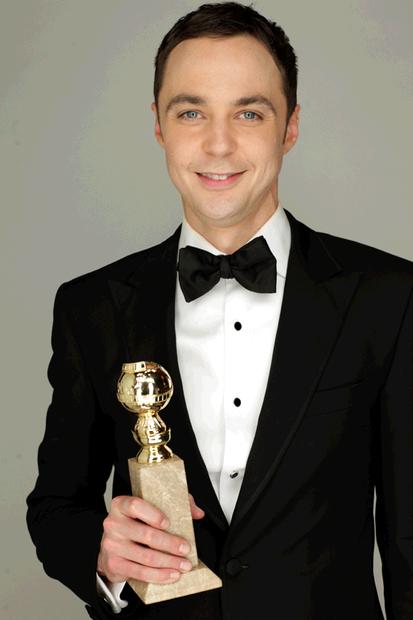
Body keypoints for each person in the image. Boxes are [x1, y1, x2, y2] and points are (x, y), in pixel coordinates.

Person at [26, 2, 413, 619]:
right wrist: (101, 554)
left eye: (249, 112)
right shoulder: (90, 307)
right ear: (159, 126)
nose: (219, 143)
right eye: (191, 112)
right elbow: (54, 506)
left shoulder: (389, 296)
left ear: (290, 127)